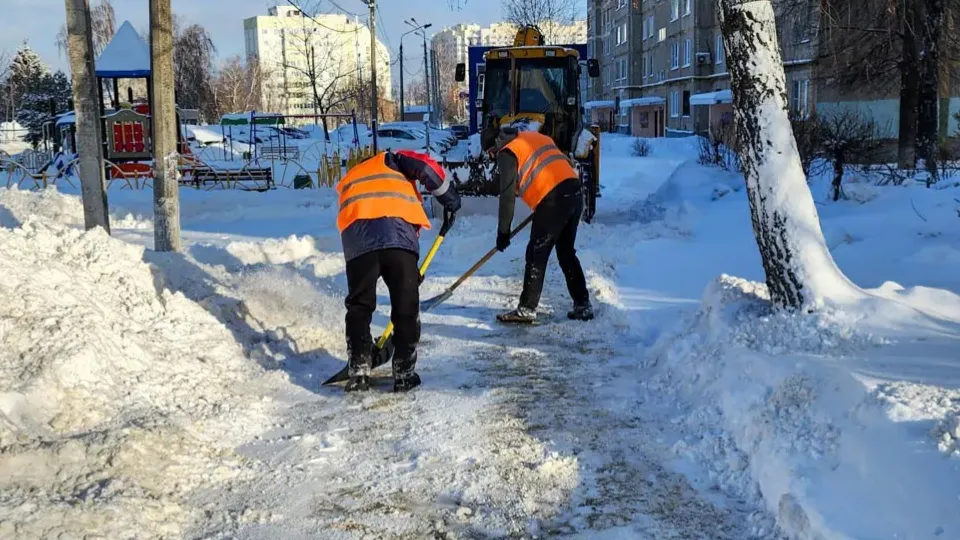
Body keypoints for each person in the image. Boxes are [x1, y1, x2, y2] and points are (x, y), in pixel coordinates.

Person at [337, 149, 460, 393]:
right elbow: (426, 168)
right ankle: (404, 373)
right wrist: (451, 200)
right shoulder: (393, 159)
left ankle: (359, 369)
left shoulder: (352, 175)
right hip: (397, 236)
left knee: (359, 306)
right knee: (406, 306)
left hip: (357, 243)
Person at [482, 123, 593, 324]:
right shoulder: (535, 137)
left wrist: (503, 232)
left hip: (554, 199)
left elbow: (507, 196)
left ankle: (526, 309)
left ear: (495, 145)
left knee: (537, 253)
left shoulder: (508, 152)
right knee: (566, 253)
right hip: (574, 191)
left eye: (490, 153)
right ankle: (583, 304)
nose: (492, 158)